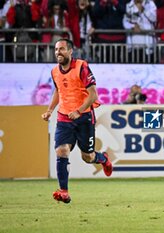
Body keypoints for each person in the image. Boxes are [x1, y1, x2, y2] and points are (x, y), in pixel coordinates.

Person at [41, 38, 113, 204]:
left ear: (70, 51)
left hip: (84, 118)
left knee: (87, 157)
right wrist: (50, 110)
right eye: (56, 49)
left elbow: (93, 95)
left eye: (62, 49)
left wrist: (79, 111)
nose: (58, 52)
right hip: (64, 118)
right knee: (61, 151)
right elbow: (59, 91)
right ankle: (63, 191)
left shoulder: (82, 66)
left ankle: (103, 159)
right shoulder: (54, 71)